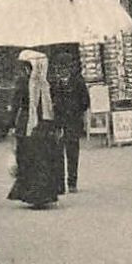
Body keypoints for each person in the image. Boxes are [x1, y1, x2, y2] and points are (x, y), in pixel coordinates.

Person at [7, 49, 61, 209]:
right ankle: (44, 195)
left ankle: (30, 194)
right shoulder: (46, 84)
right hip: (44, 127)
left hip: (27, 126)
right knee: (43, 160)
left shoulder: (23, 82)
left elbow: (16, 103)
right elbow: (53, 108)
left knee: (28, 159)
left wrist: (10, 123)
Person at [49, 55, 90, 194]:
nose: (62, 71)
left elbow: (85, 101)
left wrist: (76, 110)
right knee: (58, 153)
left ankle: (72, 182)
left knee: (72, 153)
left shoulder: (78, 81)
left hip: (73, 121)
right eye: (60, 68)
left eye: (64, 68)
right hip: (59, 122)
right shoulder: (54, 83)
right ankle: (60, 184)